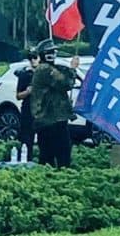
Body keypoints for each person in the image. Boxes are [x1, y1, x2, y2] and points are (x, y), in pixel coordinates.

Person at [30, 39, 77, 168]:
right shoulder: (45, 69)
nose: (54, 54)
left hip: (53, 119)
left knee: (54, 155)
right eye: (50, 52)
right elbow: (65, 84)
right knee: (58, 156)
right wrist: (72, 69)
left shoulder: (49, 68)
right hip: (49, 120)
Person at [16, 49, 40, 161]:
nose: (33, 61)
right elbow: (18, 95)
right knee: (27, 138)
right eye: (31, 58)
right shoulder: (25, 75)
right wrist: (27, 92)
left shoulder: (44, 74)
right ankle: (27, 159)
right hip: (28, 110)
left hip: (42, 110)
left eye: (35, 57)